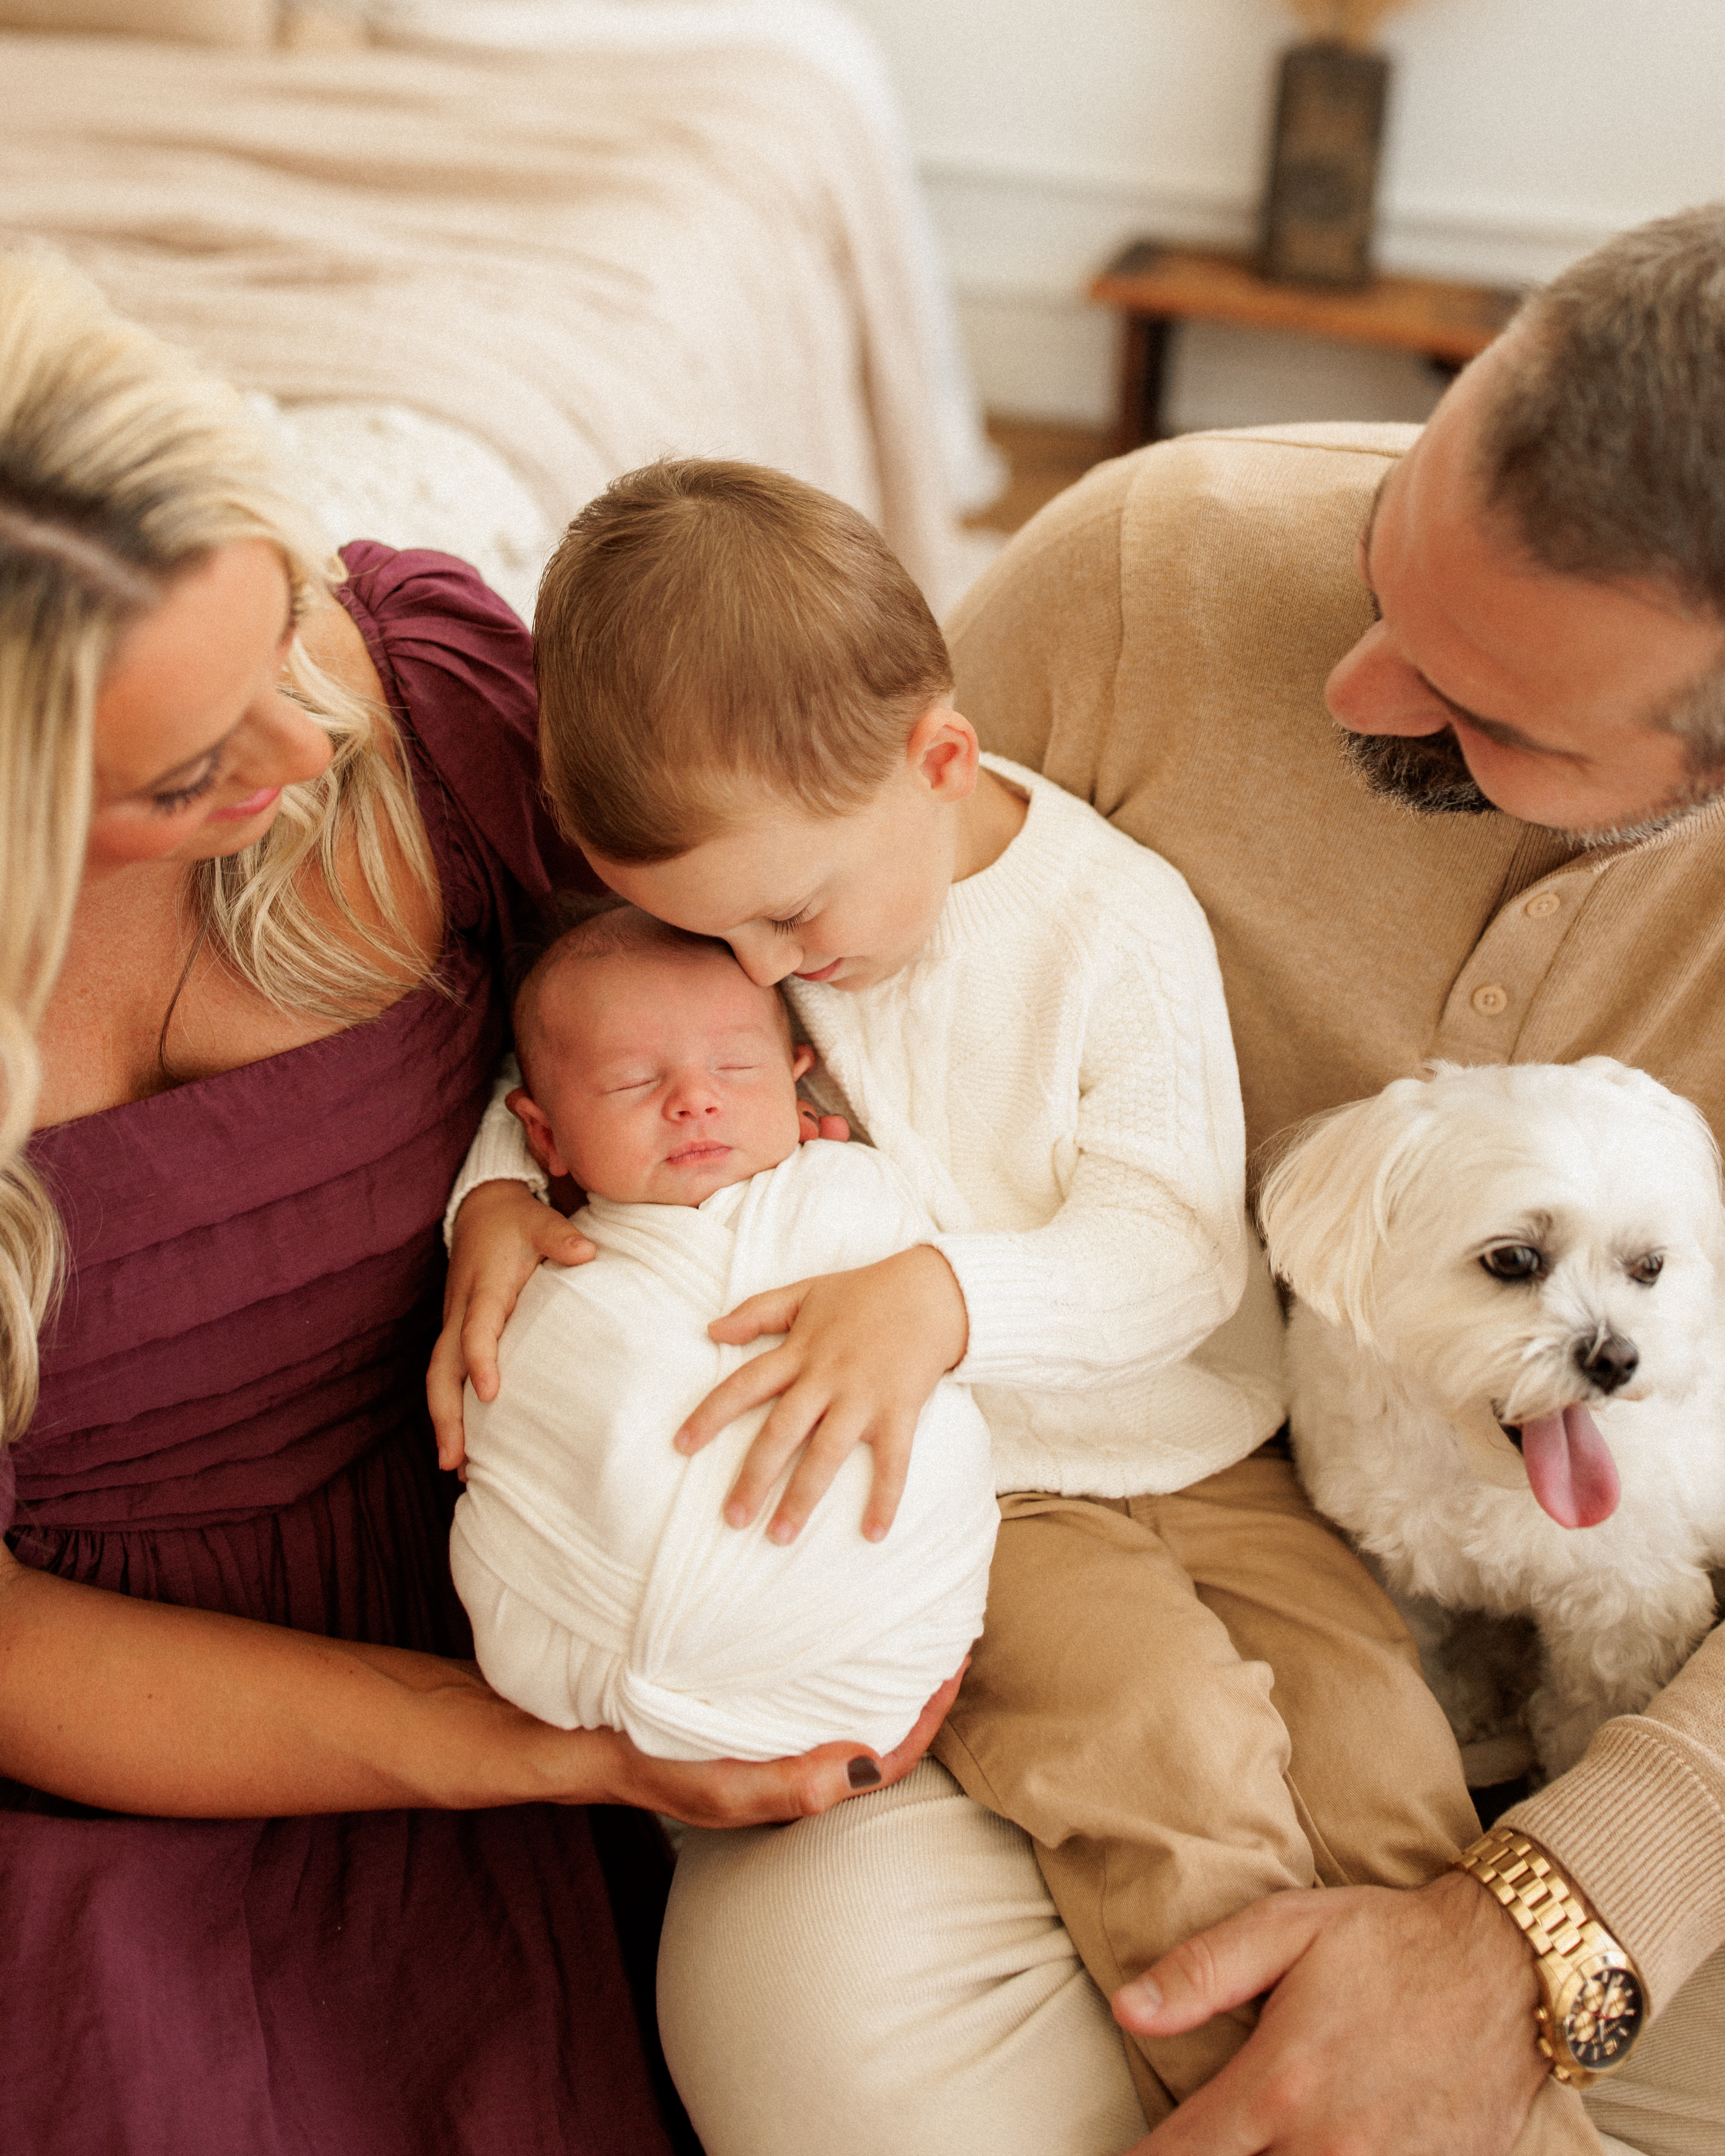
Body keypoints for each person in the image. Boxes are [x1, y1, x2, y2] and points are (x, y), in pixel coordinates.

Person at [639, 209, 1725, 2156]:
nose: (1358, 687)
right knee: (801, 2013)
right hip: (1106, 1527)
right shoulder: (1148, 561)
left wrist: (1542, 1926)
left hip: (1662, 1708)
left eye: (1492, 720)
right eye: (1393, 545)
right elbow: (734, 945)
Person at [0, 248, 951, 2156]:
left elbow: (774, 1049)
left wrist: (504, 1196)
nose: (299, 751)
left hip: (565, 1566)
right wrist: (512, 1750)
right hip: (110, 1738)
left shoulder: (415, 697)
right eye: (192, 769)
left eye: (280, 643)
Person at [437, 457, 1481, 2141]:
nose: (759, 980)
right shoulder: (748, 909)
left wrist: (937, 1297)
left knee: (1373, 1735)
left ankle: (1472, 2093)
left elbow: (1173, 1249)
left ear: (936, 761)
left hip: (1209, 1443)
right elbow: (600, 1057)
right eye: (709, 932)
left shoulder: (1101, 924)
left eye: (783, 920)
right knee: (1156, 1744)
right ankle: (1258, 2101)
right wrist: (496, 1184)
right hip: (988, 1486)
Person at [451, 904, 996, 1764]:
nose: (695, 1099)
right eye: (634, 1082)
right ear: (544, 1136)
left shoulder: (858, 1193)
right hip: (597, 1653)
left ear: (798, 1081)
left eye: (738, 1068)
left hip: (878, 1627)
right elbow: (519, 1420)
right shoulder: (546, 1272)